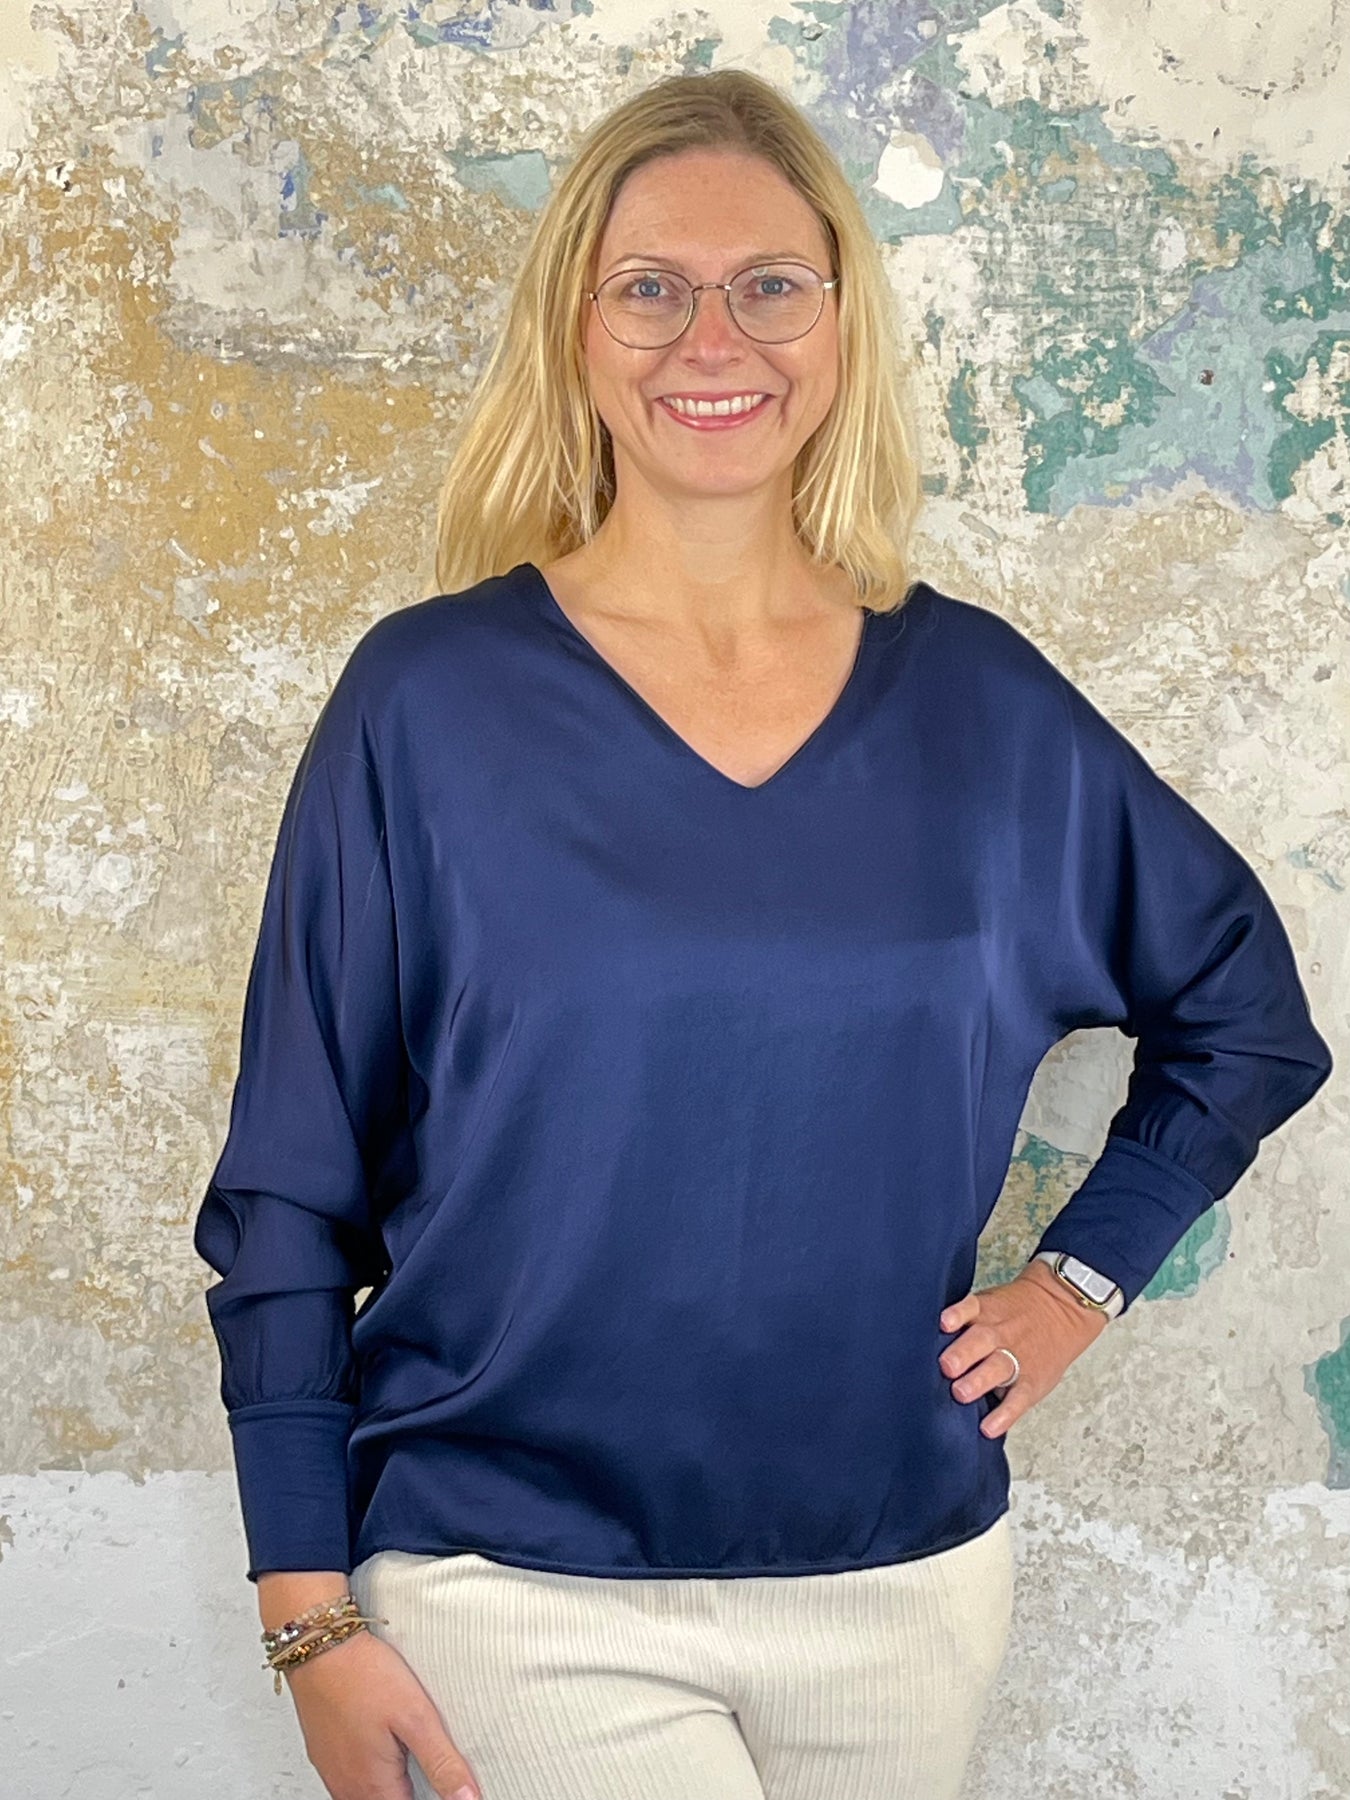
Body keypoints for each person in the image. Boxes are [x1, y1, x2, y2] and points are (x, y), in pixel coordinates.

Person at [192, 67, 1333, 1800]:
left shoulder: (982, 710)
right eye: (648, 286)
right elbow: (289, 1184)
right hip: (513, 1578)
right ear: (574, 329)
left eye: (769, 284)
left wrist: (1079, 1280)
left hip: (903, 1580)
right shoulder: (425, 706)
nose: (710, 338)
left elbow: (1243, 1013)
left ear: (841, 321)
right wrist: (303, 1604)